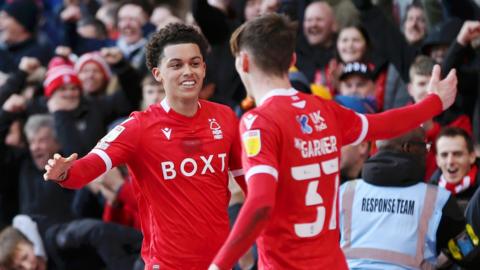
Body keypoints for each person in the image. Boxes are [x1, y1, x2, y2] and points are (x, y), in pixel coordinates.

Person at [209, 13, 457, 270]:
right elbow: (384, 124)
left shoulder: (258, 121)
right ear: (292, 60)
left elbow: (260, 202)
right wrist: (433, 103)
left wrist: (219, 265)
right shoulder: (325, 110)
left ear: (244, 62)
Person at [43, 23, 246, 269]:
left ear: (204, 68)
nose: (188, 71)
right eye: (176, 65)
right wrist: (64, 172)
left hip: (221, 263)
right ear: (157, 73)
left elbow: (246, 181)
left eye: (194, 63)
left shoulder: (225, 117)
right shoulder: (138, 127)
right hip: (167, 264)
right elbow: (91, 166)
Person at [339, 128, 465, 269]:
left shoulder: (345, 192)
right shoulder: (437, 199)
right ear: (408, 148)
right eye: (424, 147)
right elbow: (468, 255)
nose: (426, 153)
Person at [430, 127, 479, 211]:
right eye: (444, 155)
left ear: (472, 156)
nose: (450, 161)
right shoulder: (428, 194)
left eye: (457, 154)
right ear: (437, 160)